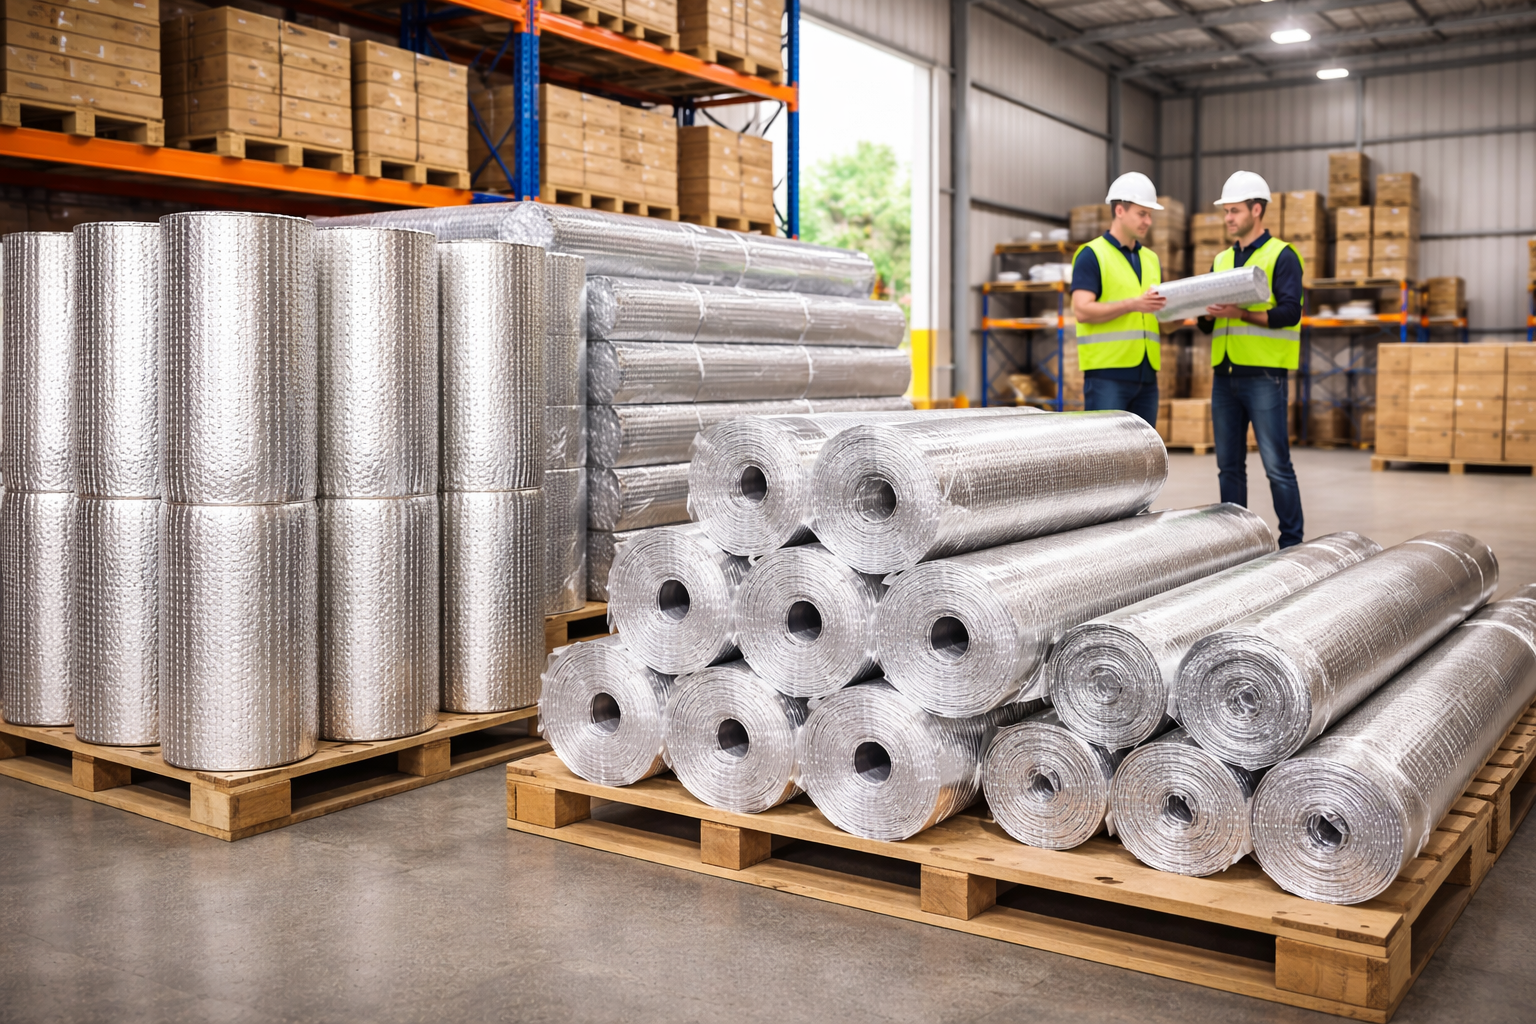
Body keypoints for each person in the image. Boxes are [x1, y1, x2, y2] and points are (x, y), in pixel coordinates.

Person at [1198, 170, 1306, 547]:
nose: (1228, 218)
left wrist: (1241, 314)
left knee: (1276, 466)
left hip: (1264, 373)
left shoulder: (1282, 255)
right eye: (1226, 212)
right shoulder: (1221, 258)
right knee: (1229, 465)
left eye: (1234, 211)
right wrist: (1207, 313)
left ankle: (1292, 542)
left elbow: (1290, 312)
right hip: (1224, 376)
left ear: (1256, 210)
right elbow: (1205, 324)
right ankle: (1236, 542)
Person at [1069, 171, 1177, 426]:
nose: (1148, 221)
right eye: (1142, 213)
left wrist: (1181, 314)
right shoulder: (1092, 254)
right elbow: (1082, 310)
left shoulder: (1151, 259)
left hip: (1147, 375)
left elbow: (1153, 317)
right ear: (1119, 210)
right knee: (1105, 457)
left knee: (1143, 457)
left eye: (1150, 215)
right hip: (1108, 375)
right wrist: (1133, 304)